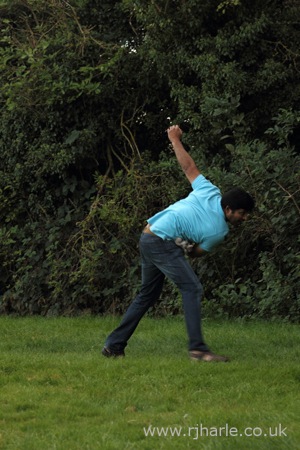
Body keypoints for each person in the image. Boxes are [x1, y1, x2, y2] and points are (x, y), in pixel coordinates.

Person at [102, 125, 255, 362]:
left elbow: (188, 167)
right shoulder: (220, 231)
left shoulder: (209, 190)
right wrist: (181, 244)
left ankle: (113, 346)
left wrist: (174, 138)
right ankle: (198, 349)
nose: (244, 219)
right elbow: (196, 252)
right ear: (228, 209)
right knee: (192, 288)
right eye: (242, 214)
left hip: (149, 235)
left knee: (147, 295)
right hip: (161, 241)